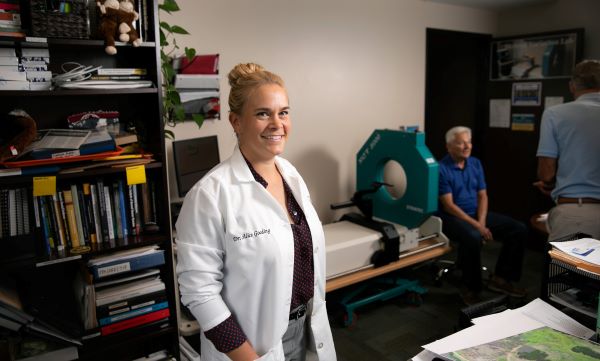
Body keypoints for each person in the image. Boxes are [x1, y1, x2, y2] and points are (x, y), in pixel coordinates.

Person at [175, 63, 336, 361]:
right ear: (236, 122)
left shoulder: (291, 175)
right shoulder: (209, 195)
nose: (277, 123)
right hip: (251, 346)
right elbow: (200, 294)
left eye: (283, 112)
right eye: (263, 113)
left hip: (310, 327)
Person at [437, 126, 527, 305]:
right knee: (473, 236)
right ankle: (470, 288)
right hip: (451, 217)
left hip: (476, 215)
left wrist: (482, 221)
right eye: (460, 143)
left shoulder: (475, 163)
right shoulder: (441, 169)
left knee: (518, 229)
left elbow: (483, 195)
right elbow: (449, 206)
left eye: (468, 142)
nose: (466, 146)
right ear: (448, 146)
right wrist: (478, 227)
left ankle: (500, 279)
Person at [535, 59, 600, 241]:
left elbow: (546, 173)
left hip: (576, 213)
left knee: (570, 270)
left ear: (572, 86)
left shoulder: (555, 114)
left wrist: (550, 184)